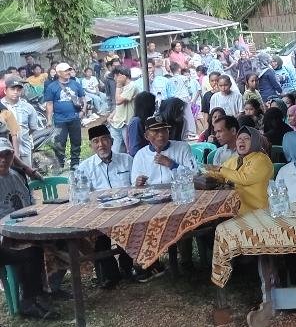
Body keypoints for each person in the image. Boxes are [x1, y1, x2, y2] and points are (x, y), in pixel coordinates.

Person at [0, 138, 57, 327]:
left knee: (55, 240)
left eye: (6, 154)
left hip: (23, 229)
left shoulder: (16, 175)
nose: (3, 159)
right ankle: (28, 299)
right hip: (4, 237)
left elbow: (29, 203)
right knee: (32, 251)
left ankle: (47, 289)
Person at [75, 125, 137, 288]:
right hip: (100, 213)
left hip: (126, 210)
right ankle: (110, 275)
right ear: (91, 146)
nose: (101, 144)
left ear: (111, 141)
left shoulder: (127, 160)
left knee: (130, 230)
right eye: (95, 141)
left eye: (104, 139)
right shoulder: (84, 168)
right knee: (99, 239)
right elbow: (82, 197)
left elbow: (136, 188)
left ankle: (128, 268)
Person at [205, 127, 272, 214]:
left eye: (246, 138)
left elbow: (244, 179)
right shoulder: (235, 159)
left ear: (255, 142)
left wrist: (220, 169)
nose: (241, 141)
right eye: (239, 138)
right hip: (233, 209)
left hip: (256, 212)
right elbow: (220, 174)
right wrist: (206, 173)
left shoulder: (262, 160)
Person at [131, 116, 197, 186]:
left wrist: (172, 165)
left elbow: (194, 174)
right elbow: (134, 183)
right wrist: (138, 182)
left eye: (164, 130)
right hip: (151, 194)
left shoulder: (182, 148)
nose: (161, 135)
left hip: (178, 191)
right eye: (156, 131)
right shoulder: (141, 155)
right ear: (146, 136)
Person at [44, 62, 86, 170]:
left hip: (75, 118)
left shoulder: (75, 84)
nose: (68, 72)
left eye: (69, 70)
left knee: (76, 141)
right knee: (60, 143)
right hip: (59, 120)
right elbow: (49, 104)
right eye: (66, 70)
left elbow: (83, 98)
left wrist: (83, 111)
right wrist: (49, 120)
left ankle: (75, 163)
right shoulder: (51, 87)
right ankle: (60, 164)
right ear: (58, 73)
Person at [2, 76, 41, 163]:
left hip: (24, 148)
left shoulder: (28, 107)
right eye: (12, 89)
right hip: (4, 150)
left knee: (27, 173)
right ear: (5, 90)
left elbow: (33, 127)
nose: (15, 92)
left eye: (18, 90)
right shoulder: (1, 107)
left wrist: (22, 134)